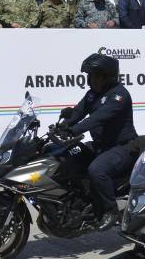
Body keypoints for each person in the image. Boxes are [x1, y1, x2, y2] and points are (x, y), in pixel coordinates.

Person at [59, 53, 138, 230]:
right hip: (101, 146)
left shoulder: (119, 95)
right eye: (90, 76)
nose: (91, 80)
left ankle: (111, 211)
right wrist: (63, 126)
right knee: (69, 155)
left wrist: (73, 130)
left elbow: (97, 118)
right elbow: (78, 112)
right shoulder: (92, 94)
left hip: (122, 147)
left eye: (95, 76)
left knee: (97, 170)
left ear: (108, 77)